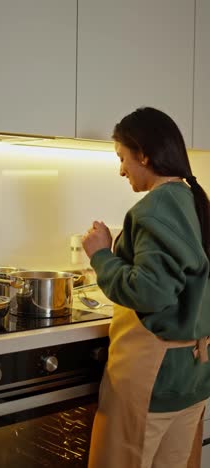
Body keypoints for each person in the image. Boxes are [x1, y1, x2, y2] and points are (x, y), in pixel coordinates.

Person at [82, 106, 210, 468]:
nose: (121, 169)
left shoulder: (155, 208)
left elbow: (151, 292)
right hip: (190, 375)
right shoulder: (192, 200)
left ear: (144, 154)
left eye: (122, 158)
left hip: (150, 379)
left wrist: (101, 255)